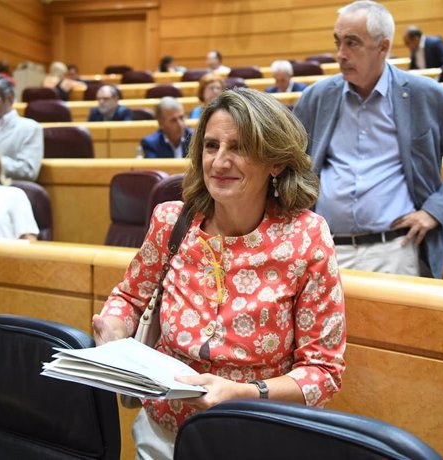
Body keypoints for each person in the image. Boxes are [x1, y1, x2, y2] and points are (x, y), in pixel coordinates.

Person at [93, 88, 346, 460]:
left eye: (239, 147)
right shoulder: (171, 220)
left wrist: (246, 392)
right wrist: (115, 325)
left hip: (257, 437)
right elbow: (130, 297)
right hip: (163, 433)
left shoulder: (306, 237)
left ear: (275, 162)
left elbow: (323, 371)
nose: (220, 162)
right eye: (211, 146)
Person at [294, 0, 443, 279]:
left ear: (382, 47)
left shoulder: (425, 95)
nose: (340, 54)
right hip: (325, 247)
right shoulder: (317, 96)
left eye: (352, 43)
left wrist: (433, 212)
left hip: (395, 249)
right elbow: (290, 162)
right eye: (338, 42)